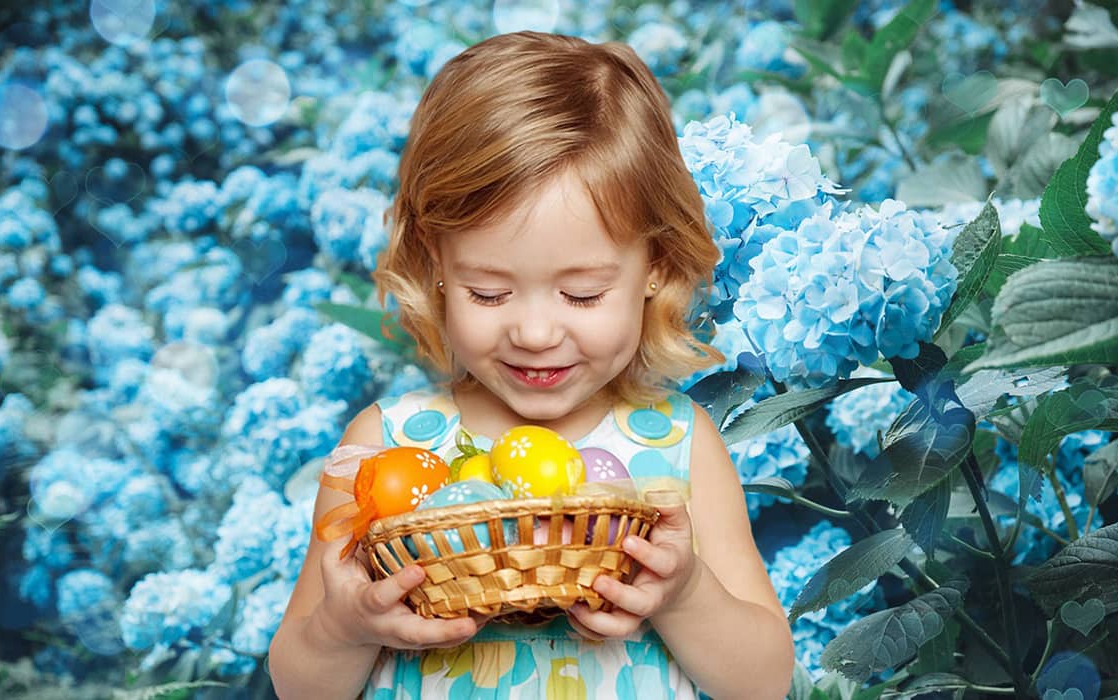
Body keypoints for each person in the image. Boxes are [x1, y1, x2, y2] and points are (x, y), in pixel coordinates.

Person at [268, 30, 794, 699]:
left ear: (656, 266)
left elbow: (765, 682)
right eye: (487, 293)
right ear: (435, 268)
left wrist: (685, 593)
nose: (536, 332)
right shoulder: (385, 446)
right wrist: (341, 632)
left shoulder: (680, 446)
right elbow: (296, 685)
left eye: (582, 294)